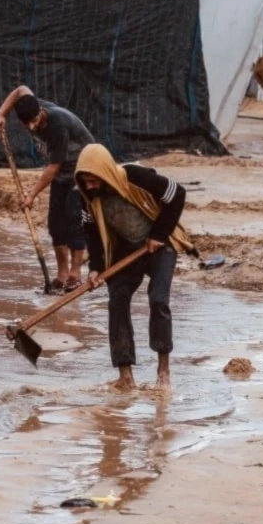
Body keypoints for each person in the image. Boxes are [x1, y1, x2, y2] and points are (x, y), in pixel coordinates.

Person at [74, 144, 195, 392]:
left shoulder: (135, 177)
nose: (89, 186)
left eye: (93, 180)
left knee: (158, 299)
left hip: (160, 244)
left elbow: (178, 194)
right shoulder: (88, 198)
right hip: (126, 250)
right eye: (84, 181)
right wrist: (96, 267)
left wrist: (159, 234)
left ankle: (163, 370)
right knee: (117, 301)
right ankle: (125, 375)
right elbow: (92, 232)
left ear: (105, 173)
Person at [0, 86, 94, 292]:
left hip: (83, 168)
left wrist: (30, 195)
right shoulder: (29, 103)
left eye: (34, 121)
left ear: (40, 111)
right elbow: (20, 90)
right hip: (62, 170)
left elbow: (53, 168)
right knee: (55, 223)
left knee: (74, 218)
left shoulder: (58, 125)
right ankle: (62, 275)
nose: (31, 127)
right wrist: (0, 114)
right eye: (26, 124)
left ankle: (75, 276)